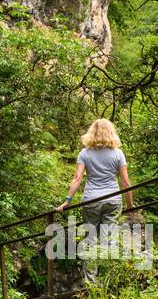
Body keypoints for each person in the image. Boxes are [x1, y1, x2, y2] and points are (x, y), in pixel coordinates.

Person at [56, 119, 133, 282]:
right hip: (112, 200)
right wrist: (130, 205)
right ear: (111, 131)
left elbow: (77, 178)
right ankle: (108, 279)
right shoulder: (118, 153)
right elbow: (125, 182)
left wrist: (67, 201)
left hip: (91, 200)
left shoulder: (85, 153)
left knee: (90, 239)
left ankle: (91, 282)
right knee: (109, 238)